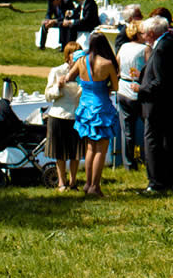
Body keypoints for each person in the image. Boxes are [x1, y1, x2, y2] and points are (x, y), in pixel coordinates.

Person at [63, 31, 119, 197]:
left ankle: (87, 184)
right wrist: (104, 88)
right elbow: (115, 87)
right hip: (101, 107)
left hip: (85, 107)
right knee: (101, 149)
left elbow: (69, 77)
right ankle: (95, 186)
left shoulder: (81, 61)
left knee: (89, 148)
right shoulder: (107, 63)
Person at [136, 15, 173, 193]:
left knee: (153, 142)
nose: (142, 37)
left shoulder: (161, 49)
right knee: (166, 141)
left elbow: (160, 81)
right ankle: (168, 179)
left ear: (151, 33)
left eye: (143, 33)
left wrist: (141, 88)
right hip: (168, 103)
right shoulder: (172, 42)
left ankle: (155, 181)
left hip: (157, 104)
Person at [44, 41, 84, 191]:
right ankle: (61, 182)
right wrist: (58, 87)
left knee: (76, 152)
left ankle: (73, 182)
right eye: (75, 54)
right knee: (60, 153)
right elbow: (48, 96)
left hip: (77, 116)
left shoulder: (85, 73)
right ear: (68, 56)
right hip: (59, 116)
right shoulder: (57, 71)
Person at [115, 22, 148, 171]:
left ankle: (129, 163)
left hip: (123, 88)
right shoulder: (145, 49)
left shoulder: (123, 47)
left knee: (127, 130)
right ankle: (146, 158)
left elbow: (117, 65)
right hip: (139, 89)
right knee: (147, 128)